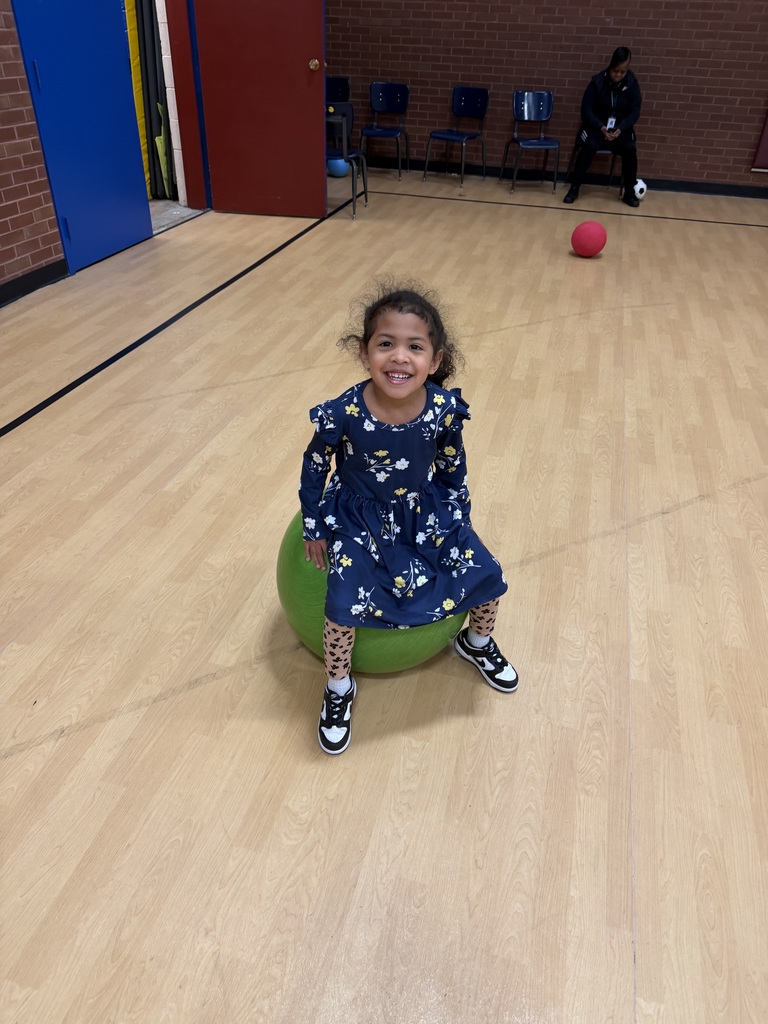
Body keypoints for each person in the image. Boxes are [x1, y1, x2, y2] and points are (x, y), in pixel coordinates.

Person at [299, 284, 518, 755]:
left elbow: (452, 463)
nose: (399, 357)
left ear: (435, 360)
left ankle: (476, 642)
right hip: (357, 517)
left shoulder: (442, 409)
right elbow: (315, 466)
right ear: (364, 353)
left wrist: (457, 515)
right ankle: (339, 688)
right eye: (386, 344)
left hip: (423, 510)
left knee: (487, 573)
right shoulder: (343, 412)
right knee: (341, 602)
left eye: (414, 347)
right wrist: (315, 524)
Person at [563, 46, 642, 208]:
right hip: (597, 128)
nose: (618, 75)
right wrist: (601, 127)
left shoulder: (632, 83)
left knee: (630, 148)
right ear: (610, 66)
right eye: (616, 71)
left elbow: (634, 112)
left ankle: (628, 193)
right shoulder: (597, 82)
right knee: (588, 145)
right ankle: (574, 188)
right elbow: (586, 110)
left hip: (620, 130)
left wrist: (620, 128)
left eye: (623, 71)